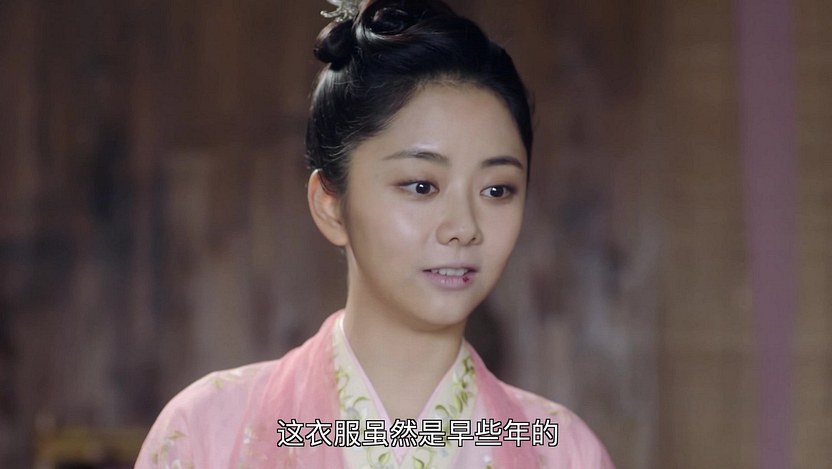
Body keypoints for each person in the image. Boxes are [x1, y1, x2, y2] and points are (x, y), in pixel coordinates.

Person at [135, 0, 615, 467]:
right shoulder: (204, 433)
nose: (464, 228)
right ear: (330, 206)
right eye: (422, 186)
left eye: (496, 190)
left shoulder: (563, 453)